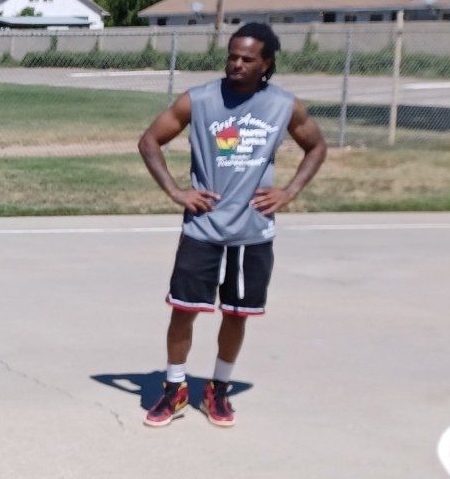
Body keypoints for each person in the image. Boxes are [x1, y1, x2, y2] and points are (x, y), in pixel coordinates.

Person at [135, 22, 328, 428]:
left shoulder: (284, 105)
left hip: (252, 232)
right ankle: (174, 388)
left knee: (237, 314)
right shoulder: (199, 100)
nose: (236, 64)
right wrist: (176, 191)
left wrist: (289, 192)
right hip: (202, 229)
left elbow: (317, 145)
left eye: (247, 58)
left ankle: (218, 389)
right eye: (232, 56)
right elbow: (150, 140)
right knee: (184, 312)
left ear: (267, 63)